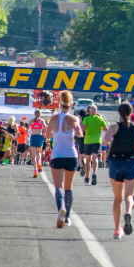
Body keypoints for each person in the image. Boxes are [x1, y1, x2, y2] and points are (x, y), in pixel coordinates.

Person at [103, 102, 134, 239]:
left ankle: (117, 229)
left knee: (118, 198)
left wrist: (111, 143)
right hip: (131, 162)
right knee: (129, 196)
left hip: (116, 161)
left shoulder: (114, 127)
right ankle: (128, 212)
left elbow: (105, 141)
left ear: (119, 112)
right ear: (131, 112)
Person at [44, 91, 83, 228]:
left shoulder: (54, 118)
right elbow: (79, 133)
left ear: (60, 103)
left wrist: (53, 132)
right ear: (71, 104)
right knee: (69, 187)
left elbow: (47, 135)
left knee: (58, 186)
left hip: (57, 154)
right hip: (71, 155)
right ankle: (67, 217)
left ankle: (60, 208)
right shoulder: (73, 118)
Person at [81, 105, 107, 186]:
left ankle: (87, 177)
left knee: (88, 159)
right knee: (95, 157)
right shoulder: (100, 119)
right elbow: (106, 129)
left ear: (88, 111)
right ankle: (94, 172)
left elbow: (82, 128)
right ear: (96, 111)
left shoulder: (86, 118)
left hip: (87, 140)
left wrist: (85, 130)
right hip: (97, 141)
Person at [29, 110, 46, 178]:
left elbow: (27, 129)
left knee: (33, 155)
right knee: (39, 152)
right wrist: (44, 134)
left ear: (34, 114)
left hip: (33, 137)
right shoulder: (42, 121)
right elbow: (45, 128)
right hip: (39, 136)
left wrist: (28, 133)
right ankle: (39, 162)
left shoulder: (31, 121)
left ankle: (35, 171)